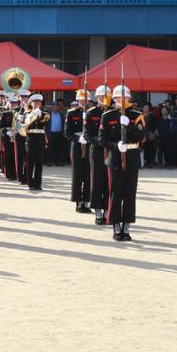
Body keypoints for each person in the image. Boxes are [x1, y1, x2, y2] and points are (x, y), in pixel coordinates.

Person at [97, 85, 144, 242]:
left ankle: (126, 226)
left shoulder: (137, 115)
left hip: (132, 157)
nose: (122, 100)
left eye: (125, 97)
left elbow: (141, 137)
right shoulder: (108, 115)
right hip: (116, 157)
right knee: (116, 193)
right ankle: (116, 225)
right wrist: (115, 145)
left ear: (129, 98)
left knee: (130, 193)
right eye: (119, 98)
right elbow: (101, 139)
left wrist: (129, 124)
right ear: (114, 99)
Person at [86, 85, 109, 225]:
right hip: (97, 149)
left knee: (108, 181)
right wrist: (99, 141)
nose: (104, 99)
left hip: (110, 151)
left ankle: (107, 208)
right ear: (97, 98)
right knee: (96, 180)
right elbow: (87, 134)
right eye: (101, 96)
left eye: (106, 96)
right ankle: (98, 210)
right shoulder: (91, 113)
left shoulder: (114, 112)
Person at [66, 90, 92, 213]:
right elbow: (67, 133)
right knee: (77, 175)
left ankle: (86, 200)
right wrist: (78, 138)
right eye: (81, 100)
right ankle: (78, 201)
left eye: (85, 100)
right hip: (76, 147)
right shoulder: (71, 113)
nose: (83, 102)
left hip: (89, 146)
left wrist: (88, 138)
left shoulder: (92, 113)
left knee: (88, 175)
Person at [22, 94, 49, 191]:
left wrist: (39, 115)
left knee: (39, 162)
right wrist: (32, 115)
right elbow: (26, 125)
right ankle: (30, 183)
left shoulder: (45, 114)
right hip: (31, 138)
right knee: (30, 161)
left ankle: (38, 184)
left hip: (40, 137)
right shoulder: (27, 114)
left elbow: (44, 123)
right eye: (35, 102)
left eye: (39, 102)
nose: (37, 104)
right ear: (31, 103)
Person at [47, 100, 65, 166]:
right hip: (51, 133)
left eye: (56, 106)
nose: (55, 107)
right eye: (54, 106)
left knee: (59, 148)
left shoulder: (61, 114)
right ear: (51, 107)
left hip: (59, 133)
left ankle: (58, 161)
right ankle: (49, 161)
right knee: (50, 148)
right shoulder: (48, 114)